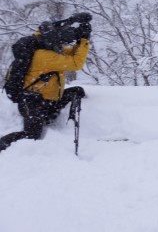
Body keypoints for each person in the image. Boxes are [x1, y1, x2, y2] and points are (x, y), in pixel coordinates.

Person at [0, 14, 92, 153]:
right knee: (32, 135)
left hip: (47, 101)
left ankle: (59, 120)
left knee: (76, 91)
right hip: (32, 102)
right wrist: (83, 40)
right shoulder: (44, 55)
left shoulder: (45, 48)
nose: (63, 43)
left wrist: (80, 38)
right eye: (60, 40)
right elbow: (75, 62)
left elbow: (72, 53)